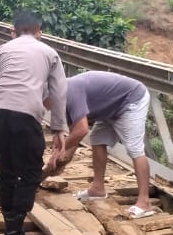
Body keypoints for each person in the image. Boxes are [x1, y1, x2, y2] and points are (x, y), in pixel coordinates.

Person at [0, 10, 67, 235]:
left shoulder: (1, 50)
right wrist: (59, 128)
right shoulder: (49, 52)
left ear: (13, 32)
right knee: (31, 171)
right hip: (26, 112)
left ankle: (11, 229)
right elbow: (59, 92)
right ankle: (13, 232)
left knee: (6, 168)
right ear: (39, 32)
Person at [43, 70, 156, 219]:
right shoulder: (63, 101)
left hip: (131, 99)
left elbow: (82, 130)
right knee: (97, 138)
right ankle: (98, 189)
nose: (47, 108)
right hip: (109, 107)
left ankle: (145, 202)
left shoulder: (71, 93)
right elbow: (74, 138)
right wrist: (60, 162)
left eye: (47, 104)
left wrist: (59, 152)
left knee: (134, 148)